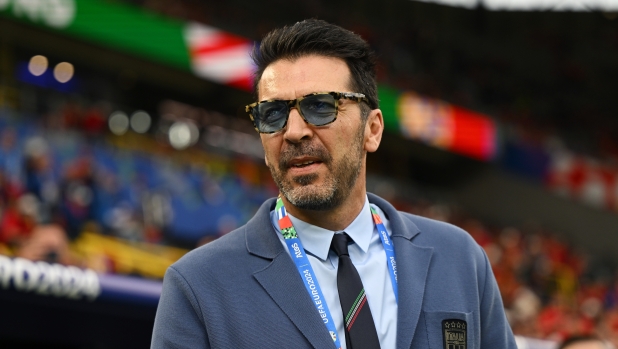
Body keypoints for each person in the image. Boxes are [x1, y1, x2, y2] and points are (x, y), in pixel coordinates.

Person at [151, 19, 517, 349]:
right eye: (273, 114)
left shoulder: (459, 258)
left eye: (321, 106)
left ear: (371, 130)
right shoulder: (198, 286)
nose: (293, 132)